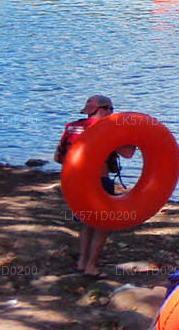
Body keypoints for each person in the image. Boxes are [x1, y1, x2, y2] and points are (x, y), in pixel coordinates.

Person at [54, 95, 137, 277]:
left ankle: (81, 262)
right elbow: (128, 153)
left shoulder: (71, 127)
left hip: (75, 183)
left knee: (86, 222)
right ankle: (91, 266)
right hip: (98, 182)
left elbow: (58, 158)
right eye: (111, 109)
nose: (112, 112)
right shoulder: (106, 129)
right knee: (102, 223)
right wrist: (135, 136)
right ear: (103, 109)